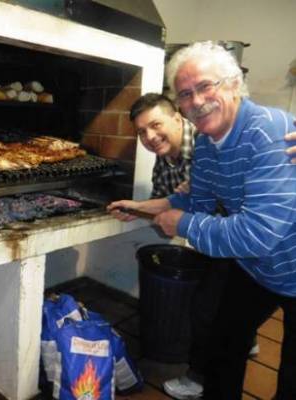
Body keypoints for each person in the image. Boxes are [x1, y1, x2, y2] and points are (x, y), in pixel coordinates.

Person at [109, 41, 296, 399]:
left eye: (205, 86)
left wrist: (182, 223)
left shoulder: (268, 132)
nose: (196, 100)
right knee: (224, 343)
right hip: (256, 268)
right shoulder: (210, 143)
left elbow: (257, 235)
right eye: (185, 93)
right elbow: (200, 200)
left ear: (234, 84)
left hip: (289, 261)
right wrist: (147, 207)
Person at [114, 92, 260, 399]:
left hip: (248, 235)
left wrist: (197, 193)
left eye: (155, 125)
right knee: (223, 308)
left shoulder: (212, 142)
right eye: (141, 132)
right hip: (218, 238)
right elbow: (170, 214)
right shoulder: (164, 162)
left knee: (207, 310)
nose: (150, 137)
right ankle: (244, 335)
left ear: (178, 118)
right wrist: (139, 208)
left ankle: (198, 376)